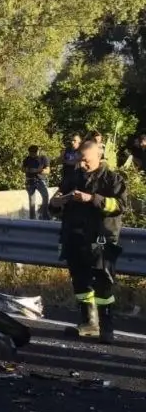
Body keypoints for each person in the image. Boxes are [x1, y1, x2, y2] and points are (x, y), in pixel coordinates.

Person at [48, 139, 126, 344]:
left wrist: (92, 199)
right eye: (79, 161)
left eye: (86, 161)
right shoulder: (72, 178)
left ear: (98, 157)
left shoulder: (112, 179)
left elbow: (119, 206)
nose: (81, 165)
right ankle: (89, 323)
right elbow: (55, 205)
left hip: (101, 239)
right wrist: (56, 203)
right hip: (74, 237)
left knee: (103, 285)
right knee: (81, 282)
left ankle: (106, 328)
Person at [22, 145, 50, 220]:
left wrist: (38, 170)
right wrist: (28, 170)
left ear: (38, 151)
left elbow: (47, 170)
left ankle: (44, 216)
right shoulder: (27, 159)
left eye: (34, 152)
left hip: (40, 180)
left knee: (45, 197)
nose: (33, 154)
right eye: (31, 152)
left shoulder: (43, 158)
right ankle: (32, 218)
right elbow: (23, 168)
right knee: (32, 200)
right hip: (30, 180)